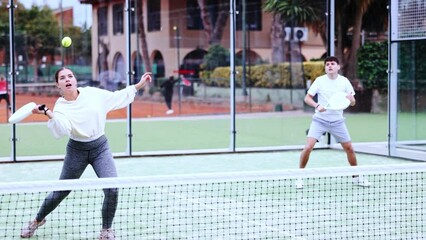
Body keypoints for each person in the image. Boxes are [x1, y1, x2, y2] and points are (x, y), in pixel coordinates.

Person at [20, 67, 152, 239]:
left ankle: (106, 230)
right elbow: (62, 129)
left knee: (112, 189)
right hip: (77, 151)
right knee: (61, 191)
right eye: (62, 78)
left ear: (75, 80)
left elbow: (115, 97)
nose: (67, 79)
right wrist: (48, 113)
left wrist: (139, 85)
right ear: (58, 85)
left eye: (70, 76)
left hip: (100, 148)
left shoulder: (92, 94)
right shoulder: (60, 107)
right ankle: (36, 221)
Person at [296, 56, 370, 189]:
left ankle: (356, 177)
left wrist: (351, 99)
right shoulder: (319, 81)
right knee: (308, 147)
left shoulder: (344, 82)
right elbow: (307, 98)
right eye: (327, 64)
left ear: (338, 67)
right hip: (320, 120)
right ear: (325, 68)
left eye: (332, 64)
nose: (330, 66)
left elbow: (352, 102)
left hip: (337, 121)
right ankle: (299, 176)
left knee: (350, 149)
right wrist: (317, 106)